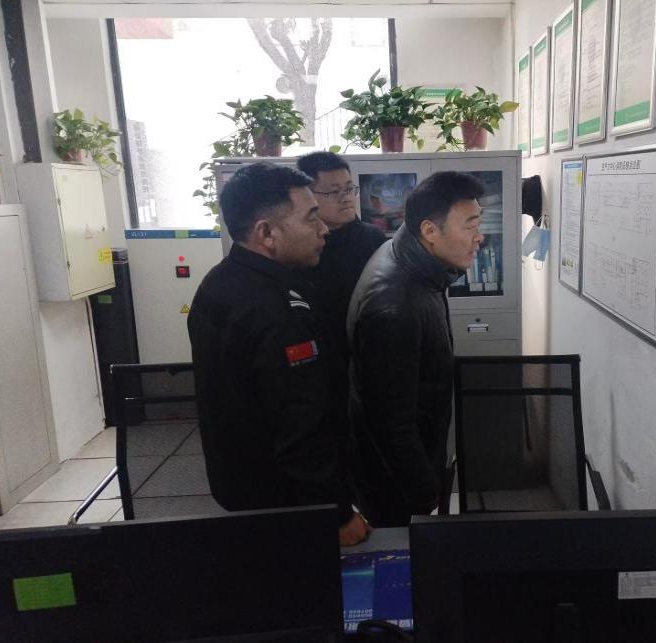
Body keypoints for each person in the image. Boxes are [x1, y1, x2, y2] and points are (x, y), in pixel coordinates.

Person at [187, 161, 370, 546]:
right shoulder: (279, 313)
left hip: (240, 485)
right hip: (291, 504)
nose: (323, 229)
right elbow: (301, 427)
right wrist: (337, 514)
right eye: (311, 218)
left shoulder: (219, 282)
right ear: (266, 233)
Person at [347, 171, 485, 527]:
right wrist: (425, 490)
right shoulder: (395, 306)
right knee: (403, 551)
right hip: (393, 483)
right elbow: (391, 423)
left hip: (410, 460)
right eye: (470, 226)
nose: (479, 237)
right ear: (429, 231)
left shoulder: (414, 260)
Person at [296, 151, 386, 368]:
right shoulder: (300, 246)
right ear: (308, 195)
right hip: (319, 358)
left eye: (349, 188)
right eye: (333, 191)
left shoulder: (373, 238)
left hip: (371, 352)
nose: (346, 197)